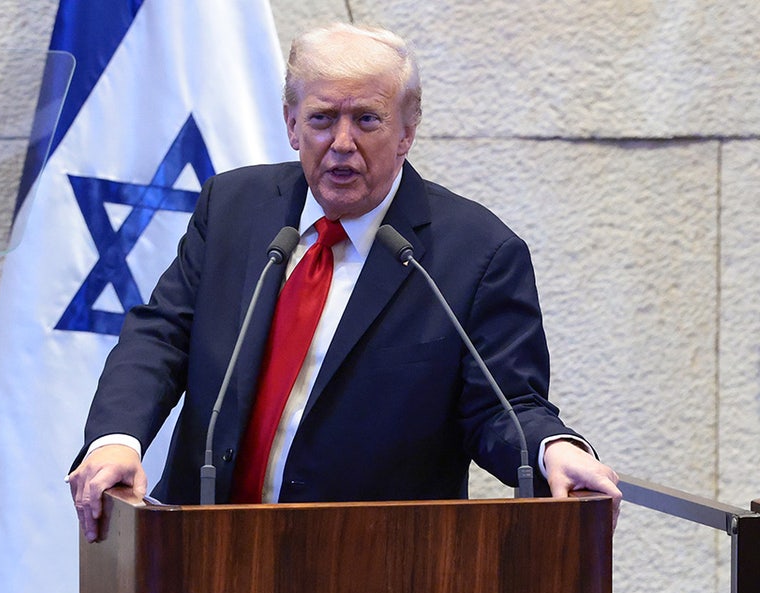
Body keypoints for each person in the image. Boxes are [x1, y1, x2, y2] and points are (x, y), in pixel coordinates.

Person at [67, 22, 620, 543]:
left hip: (367, 577)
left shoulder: (475, 255)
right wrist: (118, 437)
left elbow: (503, 404)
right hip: (200, 557)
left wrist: (553, 449)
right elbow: (161, 335)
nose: (342, 142)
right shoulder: (233, 208)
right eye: (322, 118)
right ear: (290, 124)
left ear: (407, 131)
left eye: (368, 120)